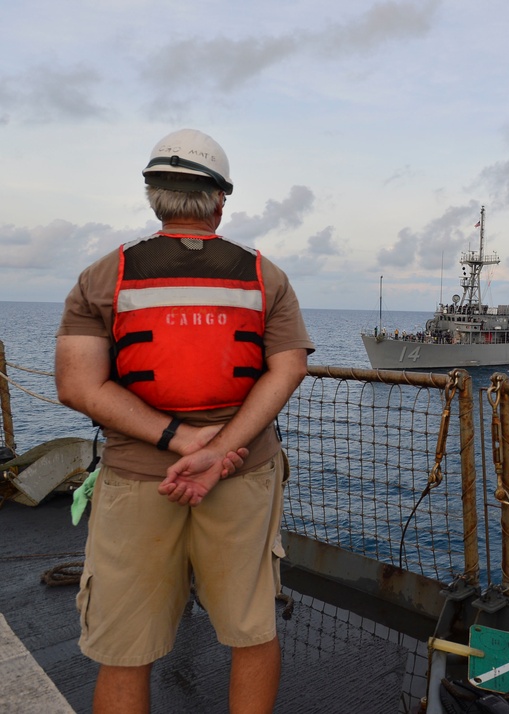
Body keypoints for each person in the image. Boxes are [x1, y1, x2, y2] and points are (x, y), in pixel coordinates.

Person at [55, 128, 315, 714]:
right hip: (241, 473)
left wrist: (177, 438)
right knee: (252, 630)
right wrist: (219, 449)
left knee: (124, 647)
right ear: (219, 201)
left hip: (136, 476)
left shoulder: (104, 277)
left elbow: (76, 384)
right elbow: (289, 368)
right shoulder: (264, 276)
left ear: (155, 196)